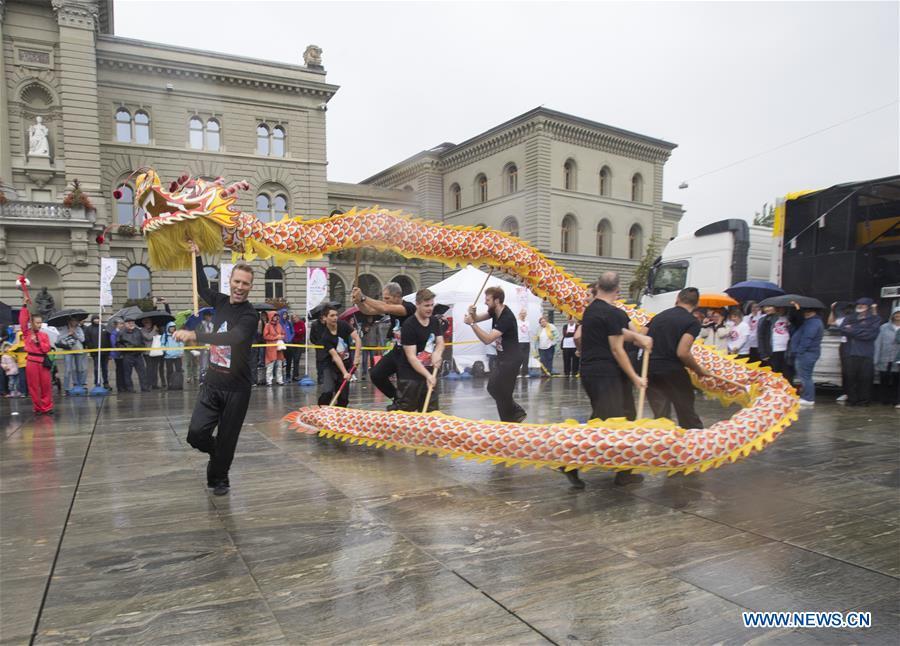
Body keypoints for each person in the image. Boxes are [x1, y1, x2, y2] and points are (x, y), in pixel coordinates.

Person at [175, 242, 259, 496]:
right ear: (230, 281)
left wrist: (195, 335)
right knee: (195, 435)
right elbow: (202, 287)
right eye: (237, 282)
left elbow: (234, 337)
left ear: (250, 287)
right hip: (212, 384)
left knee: (228, 438)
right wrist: (198, 256)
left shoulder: (250, 315)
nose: (240, 287)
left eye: (245, 283)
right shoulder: (220, 302)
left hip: (237, 389)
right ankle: (218, 452)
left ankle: (219, 478)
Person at [575, 272, 652, 488]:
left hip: (590, 374)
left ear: (598, 287)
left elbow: (615, 334)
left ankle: (620, 469)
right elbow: (617, 349)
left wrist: (637, 337)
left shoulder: (590, 311)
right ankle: (571, 462)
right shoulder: (614, 313)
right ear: (618, 291)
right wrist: (635, 377)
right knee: (620, 424)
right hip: (608, 376)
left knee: (605, 421)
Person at [645, 287, 712, 429]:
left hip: (651, 369)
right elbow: (682, 352)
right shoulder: (692, 322)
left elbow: (641, 334)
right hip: (672, 370)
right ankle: (695, 444)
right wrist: (698, 369)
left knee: (661, 418)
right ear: (696, 305)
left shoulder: (659, 317)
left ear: (677, 299)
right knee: (686, 412)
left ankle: (663, 445)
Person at [465, 286, 526, 423]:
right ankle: (514, 416)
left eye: (488, 300)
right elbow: (477, 318)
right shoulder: (494, 311)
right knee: (494, 388)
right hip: (503, 358)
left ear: (497, 300)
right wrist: (472, 314)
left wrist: (472, 323)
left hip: (512, 360)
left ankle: (510, 419)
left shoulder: (506, 317)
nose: (485, 302)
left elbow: (487, 339)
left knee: (502, 392)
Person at [352, 282, 416, 409]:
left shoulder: (408, 308)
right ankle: (396, 398)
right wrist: (358, 301)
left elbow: (384, 308)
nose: (385, 301)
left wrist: (363, 297)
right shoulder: (390, 306)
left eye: (387, 298)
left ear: (397, 296)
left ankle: (406, 406)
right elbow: (368, 310)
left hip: (410, 353)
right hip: (397, 350)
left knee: (404, 384)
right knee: (376, 374)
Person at [394, 288, 445, 411]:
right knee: (407, 414)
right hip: (410, 377)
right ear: (417, 304)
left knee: (431, 413)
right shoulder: (409, 325)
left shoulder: (434, 321)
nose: (430, 309)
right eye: (426, 305)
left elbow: (440, 342)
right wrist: (428, 376)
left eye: (432, 305)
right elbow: (412, 357)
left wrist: (437, 353)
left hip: (430, 373)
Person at [839, 298, 882, 406]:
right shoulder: (849, 318)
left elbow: (871, 334)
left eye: (863, 304)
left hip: (865, 354)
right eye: (858, 304)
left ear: (869, 306)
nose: (860, 306)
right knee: (849, 377)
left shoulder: (875, 319)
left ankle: (863, 401)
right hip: (849, 353)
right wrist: (861, 330)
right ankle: (851, 399)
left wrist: (852, 330)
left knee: (865, 378)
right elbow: (842, 329)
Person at [317, 304, 362, 407]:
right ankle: (321, 410)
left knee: (343, 399)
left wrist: (356, 357)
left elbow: (357, 339)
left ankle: (339, 416)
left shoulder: (343, 325)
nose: (335, 318)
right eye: (332, 316)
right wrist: (345, 373)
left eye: (336, 315)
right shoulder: (325, 336)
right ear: (324, 318)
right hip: (330, 366)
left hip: (346, 363)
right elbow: (335, 356)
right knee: (328, 391)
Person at [19, 290, 53, 415]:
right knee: (34, 387)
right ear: (32, 323)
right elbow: (23, 321)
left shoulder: (44, 335)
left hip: (43, 362)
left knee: (46, 385)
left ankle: (47, 407)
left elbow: (46, 348)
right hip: (32, 362)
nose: (39, 325)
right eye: (37, 322)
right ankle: (38, 407)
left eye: (40, 322)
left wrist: (38, 341)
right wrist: (24, 306)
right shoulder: (27, 333)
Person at [788, 309, 825, 406]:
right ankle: (806, 396)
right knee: (804, 376)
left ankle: (808, 398)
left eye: (806, 311)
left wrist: (800, 351)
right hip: (807, 353)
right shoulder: (810, 321)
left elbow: (807, 338)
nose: (804, 313)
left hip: (807, 353)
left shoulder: (813, 322)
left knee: (805, 376)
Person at [874, 308, 900, 406]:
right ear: (892, 315)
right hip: (884, 357)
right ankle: (884, 400)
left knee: (896, 380)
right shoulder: (884, 327)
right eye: (896, 314)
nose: (898, 316)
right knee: (884, 379)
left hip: (897, 358)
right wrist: (876, 358)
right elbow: (878, 343)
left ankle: (895, 400)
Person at [116, 317, 149, 392]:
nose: (131, 324)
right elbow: (118, 343)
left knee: (142, 373)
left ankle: (144, 387)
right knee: (127, 373)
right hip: (128, 355)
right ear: (125, 324)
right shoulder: (121, 332)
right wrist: (125, 348)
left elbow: (142, 341)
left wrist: (142, 348)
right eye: (129, 323)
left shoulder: (138, 331)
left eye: (132, 322)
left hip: (138, 355)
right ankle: (130, 388)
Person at [59, 317, 87, 393]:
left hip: (78, 349)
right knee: (68, 369)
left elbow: (82, 339)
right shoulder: (64, 328)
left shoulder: (79, 329)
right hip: (67, 350)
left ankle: (79, 385)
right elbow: (59, 338)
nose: (75, 322)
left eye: (76, 321)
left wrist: (75, 334)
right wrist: (68, 333)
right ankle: (66, 388)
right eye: (74, 321)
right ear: (70, 321)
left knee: (79, 369)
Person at [83, 315, 111, 388]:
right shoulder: (89, 329)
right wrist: (92, 347)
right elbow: (87, 340)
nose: (96, 320)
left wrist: (109, 351)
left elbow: (109, 339)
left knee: (105, 368)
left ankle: (106, 382)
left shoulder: (104, 328)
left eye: (98, 319)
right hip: (95, 353)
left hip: (105, 353)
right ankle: (97, 383)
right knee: (96, 368)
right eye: (95, 319)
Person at [141, 317, 164, 390]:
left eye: (150, 322)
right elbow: (148, 337)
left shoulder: (155, 330)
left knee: (155, 368)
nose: (149, 324)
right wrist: (154, 330)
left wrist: (156, 330)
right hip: (147, 353)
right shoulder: (142, 330)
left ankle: (155, 384)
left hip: (156, 351)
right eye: (147, 323)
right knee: (149, 369)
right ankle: (149, 384)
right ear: (144, 324)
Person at [263, 310, 285, 386]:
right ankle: (268, 381)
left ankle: (280, 380)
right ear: (271, 317)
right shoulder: (267, 325)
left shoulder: (279, 325)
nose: (276, 317)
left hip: (279, 348)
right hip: (271, 348)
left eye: (276, 316)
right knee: (270, 365)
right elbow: (265, 336)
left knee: (279, 365)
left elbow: (283, 334)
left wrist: (281, 336)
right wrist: (276, 337)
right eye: (274, 316)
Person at [161, 322, 184, 391]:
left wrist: (180, 352)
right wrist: (167, 352)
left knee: (179, 371)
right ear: (168, 328)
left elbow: (181, 344)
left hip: (177, 356)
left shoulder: (177, 335)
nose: (172, 328)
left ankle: (179, 385)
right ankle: (170, 385)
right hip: (168, 357)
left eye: (173, 327)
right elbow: (162, 345)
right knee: (169, 371)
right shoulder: (165, 336)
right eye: (171, 327)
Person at [109, 318, 126, 392]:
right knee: (119, 370)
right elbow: (113, 344)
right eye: (120, 324)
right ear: (116, 325)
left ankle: (123, 385)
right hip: (118, 354)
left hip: (122, 353)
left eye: (122, 323)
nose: (122, 325)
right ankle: (120, 386)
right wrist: (119, 351)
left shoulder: (122, 332)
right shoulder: (114, 333)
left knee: (123, 370)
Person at [198, 310, 214, 383]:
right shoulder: (201, 325)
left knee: (211, 363)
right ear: (205, 316)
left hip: (211, 346)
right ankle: (202, 379)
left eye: (211, 316)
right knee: (203, 364)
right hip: (203, 346)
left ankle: (209, 378)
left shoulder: (212, 325)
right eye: (209, 316)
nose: (210, 317)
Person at [516, 309, 532, 377]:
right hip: (519, 342)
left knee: (526, 358)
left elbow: (529, 332)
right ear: (519, 314)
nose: (523, 314)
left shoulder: (528, 322)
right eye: (522, 313)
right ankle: (517, 373)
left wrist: (531, 340)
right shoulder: (517, 322)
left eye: (524, 313)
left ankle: (525, 373)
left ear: (526, 315)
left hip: (527, 341)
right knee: (519, 358)